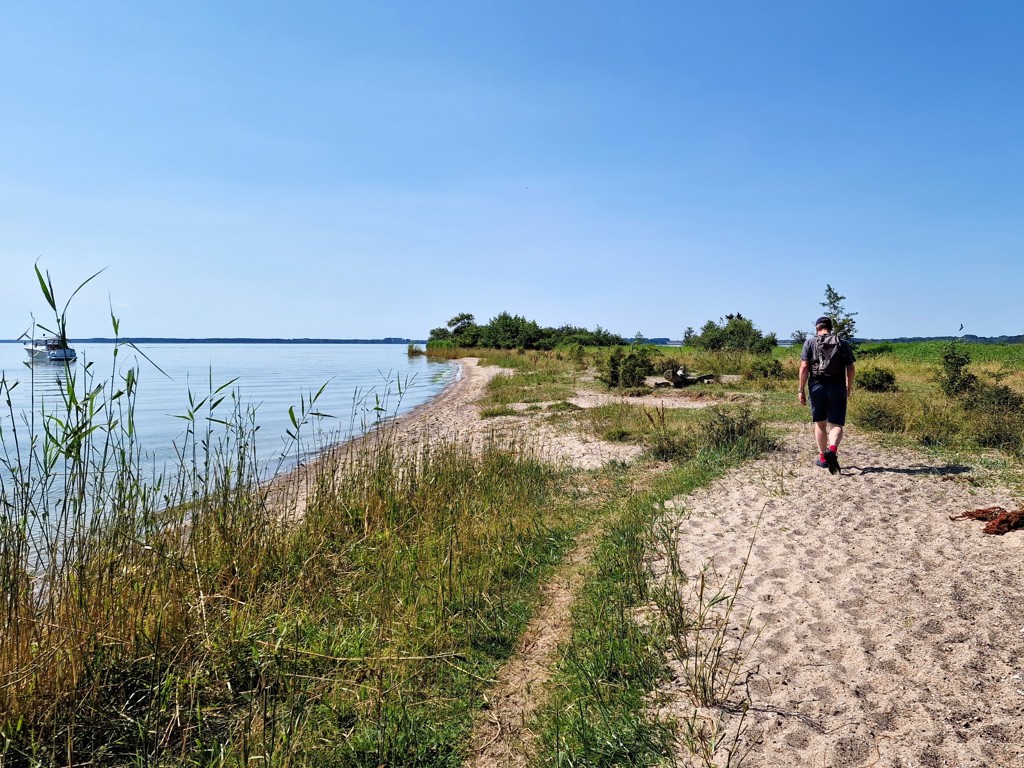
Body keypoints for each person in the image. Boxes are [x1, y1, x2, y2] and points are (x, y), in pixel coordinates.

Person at [798, 316, 855, 474]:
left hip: (817, 386)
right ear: (830, 328)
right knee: (836, 424)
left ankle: (823, 458)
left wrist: (801, 389)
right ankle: (833, 450)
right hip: (837, 387)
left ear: (817, 328)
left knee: (820, 424)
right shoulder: (842, 343)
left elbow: (804, 367)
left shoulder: (810, 343)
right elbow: (850, 369)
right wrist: (848, 388)